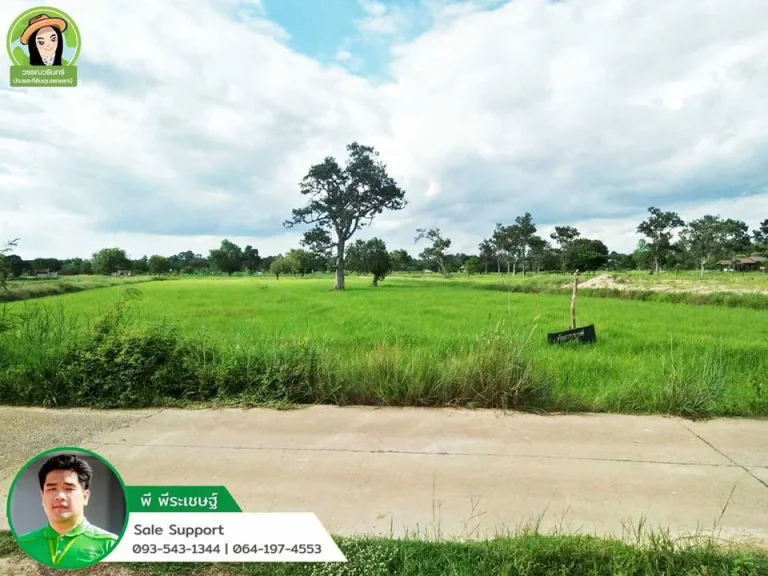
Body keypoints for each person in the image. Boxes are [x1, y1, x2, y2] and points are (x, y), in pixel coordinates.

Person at [17, 454, 119, 569]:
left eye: (69, 488)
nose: (60, 496)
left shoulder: (110, 544)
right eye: (51, 489)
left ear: (85, 497)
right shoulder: (23, 544)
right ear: (42, 496)